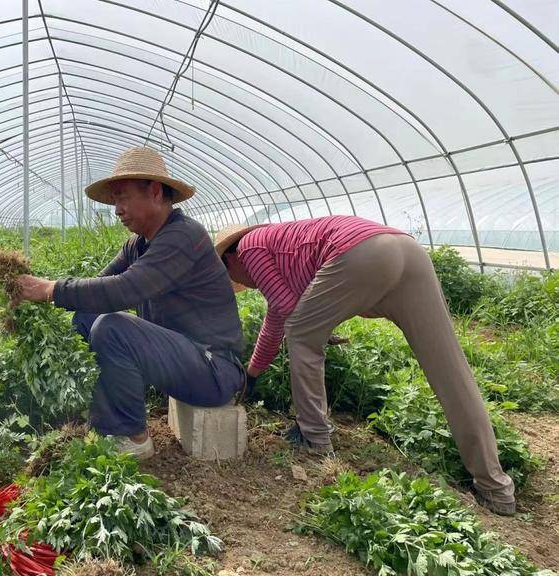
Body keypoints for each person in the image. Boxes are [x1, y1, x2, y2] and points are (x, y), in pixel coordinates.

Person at [214, 215, 516, 515]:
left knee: (302, 333)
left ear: (231, 258)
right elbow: (278, 317)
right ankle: (496, 488)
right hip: (407, 251)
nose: (244, 284)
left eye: (236, 277)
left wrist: (315, 330)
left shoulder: (250, 246)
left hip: (362, 253)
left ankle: (314, 436)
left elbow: (289, 315)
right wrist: (253, 372)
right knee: (450, 369)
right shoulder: (282, 242)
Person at [16, 147, 245, 459]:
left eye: (122, 198)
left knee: (113, 326)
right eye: (114, 201)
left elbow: (126, 288)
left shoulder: (184, 236)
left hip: (212, 368)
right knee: (88, 314)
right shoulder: (137, 245)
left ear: (153, 191)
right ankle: (103, 413)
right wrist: (49, 294)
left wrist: (51, 289)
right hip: (180, 357)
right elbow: (101, 285)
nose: (117, 210)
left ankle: (131, 436)